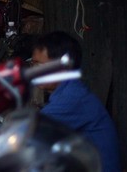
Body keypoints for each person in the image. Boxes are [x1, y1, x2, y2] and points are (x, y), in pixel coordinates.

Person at [32, 32, 121, 172]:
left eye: (41, 65)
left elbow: (29, 130)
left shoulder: (72, 98)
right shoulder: (67, 92)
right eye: (33, 64)